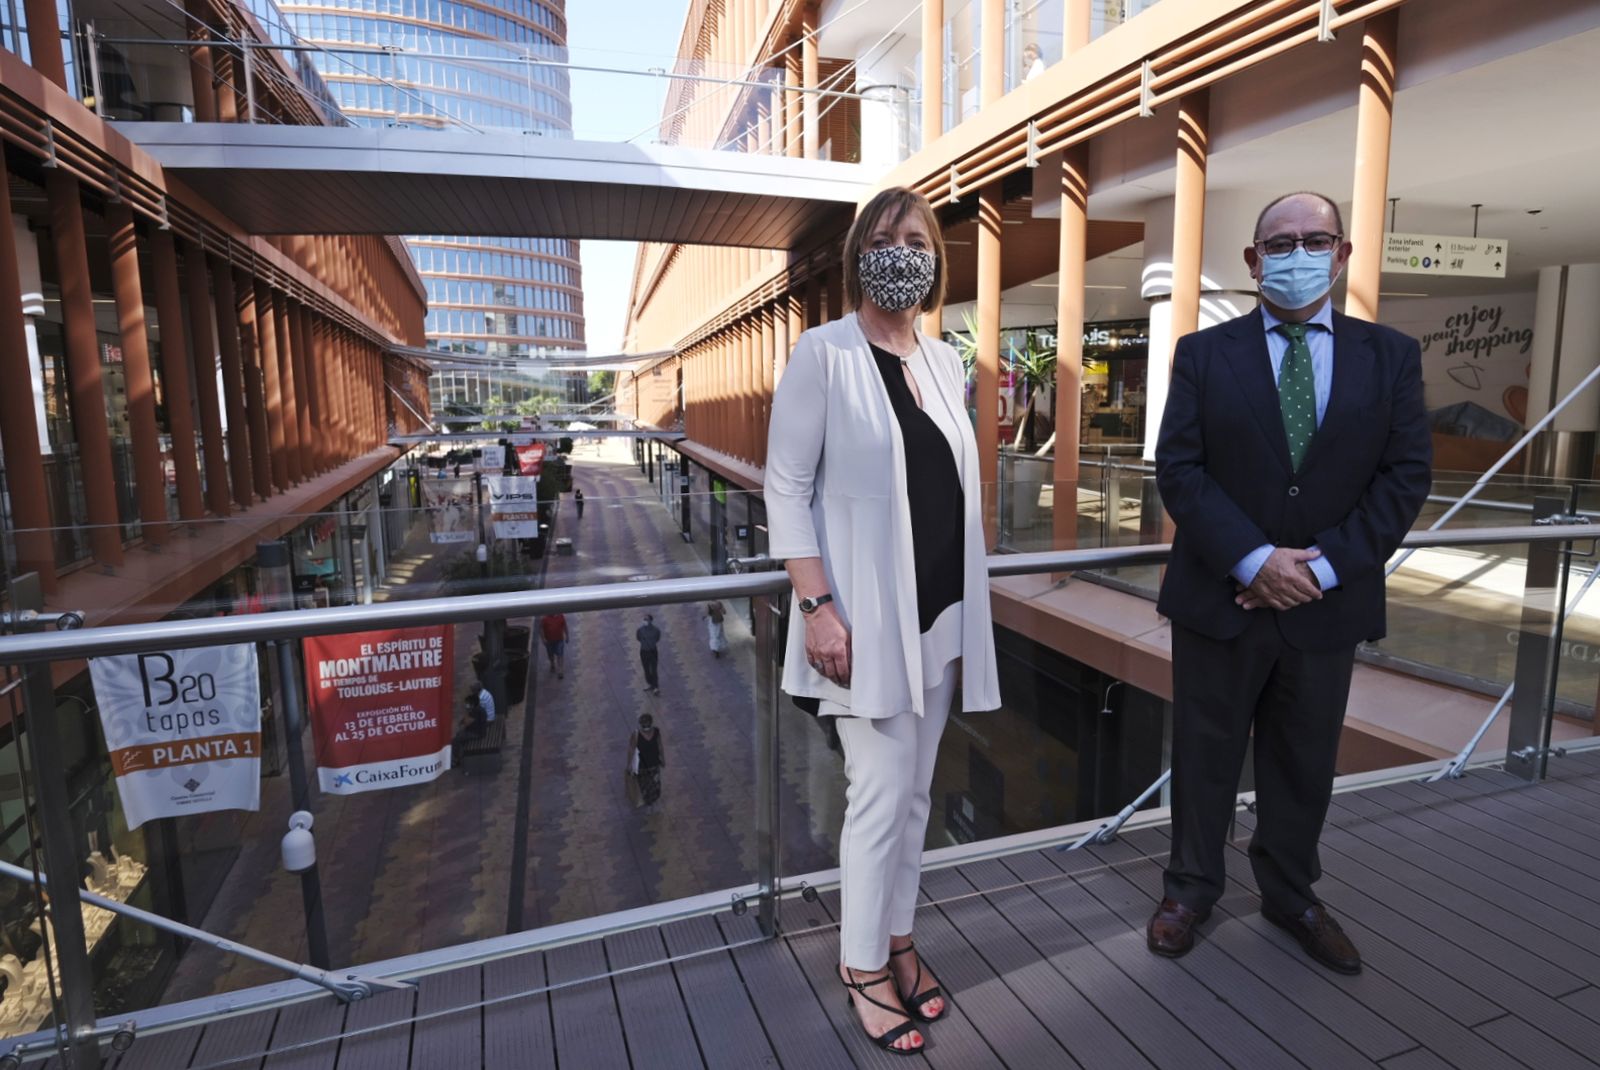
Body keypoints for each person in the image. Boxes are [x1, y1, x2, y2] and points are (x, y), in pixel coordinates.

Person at [1148, 192, 1430, 974]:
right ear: (1252, 260)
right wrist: (1255, 560)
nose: (1296, 253)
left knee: (1303, 762)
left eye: (1314, 240)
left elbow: (1404, 480)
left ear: (1341, 254)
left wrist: (1324, 569)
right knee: (1204, 755)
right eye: (1280, 242)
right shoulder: (1205, 354)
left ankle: (1291, 893)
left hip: (1326, 605)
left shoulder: (1392, 356)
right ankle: (1190, 890)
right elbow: (1180, 469)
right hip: (1221, 597)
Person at [766, 186, 1000, 1056]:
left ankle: (898, 938)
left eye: (918, 238)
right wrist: (818, 607)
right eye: (886, 237)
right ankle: (861, 964)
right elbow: (784, 487)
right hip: (861, 624)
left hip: (936, 617)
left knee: (912, 796)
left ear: (935, 259)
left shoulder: (942, 360)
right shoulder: (822, 354)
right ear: (861, 254)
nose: (903, 250)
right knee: (877, 794)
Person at [626, 713, 665, 807]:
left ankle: (652, 801)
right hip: (642, 766)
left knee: (655, 786)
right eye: (644, 723)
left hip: (654, 764)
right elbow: (631, 749)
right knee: (645, 786)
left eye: (647, 723)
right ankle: (649, 802)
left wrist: (662, 758)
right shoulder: (636, 735)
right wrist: (630, 764)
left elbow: (660, 746)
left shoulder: (656, 732)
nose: (646, 725)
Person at [450, 692, 488, 767]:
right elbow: (464, 722)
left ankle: (455, 760)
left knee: (455, 740)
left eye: (467, 703)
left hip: (477, 733)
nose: (466, 705)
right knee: (459, 735)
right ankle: (460, 755)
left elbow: (467, 723)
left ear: (472, 704)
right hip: (477, 731)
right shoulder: (478, 709)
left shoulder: (475, 711)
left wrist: (466, 712)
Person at [636, 613, 662, 694]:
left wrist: (651, 644)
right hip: (644, 651)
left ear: (651, 621)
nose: (645, 621)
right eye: (644, 619)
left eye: (646, 619)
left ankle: (656, 687)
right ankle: (651, 684)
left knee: (653, 670)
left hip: (653, 651)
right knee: (646, 669)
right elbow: (638, 638)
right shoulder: (640, 630)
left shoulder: (656, 630)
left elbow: (657, 638)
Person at [540, 613, 568, 678]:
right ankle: (552, 664)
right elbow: (541, 629)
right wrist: (543, 638)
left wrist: (567, 636)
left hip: (559, 640)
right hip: (549, 641)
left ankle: (560, 670)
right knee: (550, 654)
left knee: (560, 654)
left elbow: (565, 626)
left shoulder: (561, 616)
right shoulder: (544, 618)